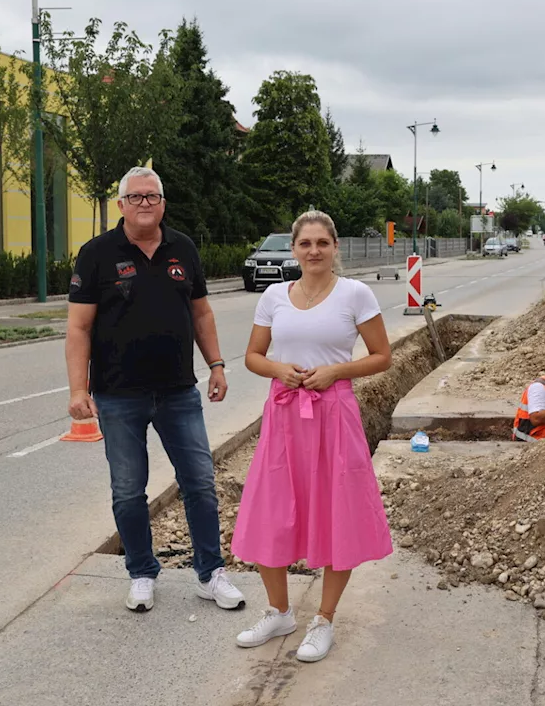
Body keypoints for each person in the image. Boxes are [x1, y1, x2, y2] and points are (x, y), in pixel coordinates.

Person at [65, 166, 244, 613]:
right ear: (121, 204)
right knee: (128, 491)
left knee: (200, 482)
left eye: (153, 196)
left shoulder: (182, 247)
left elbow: (201, 314)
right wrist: (77, 389)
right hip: (116, 394)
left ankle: (210, 573)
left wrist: (217, 365)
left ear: (163, 203)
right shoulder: (96, 254)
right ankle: (142, 573)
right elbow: (78, 327)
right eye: (136, 197)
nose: (145, 204)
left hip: (178, 392)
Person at [230, 210, 393, 663]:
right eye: (306, 243)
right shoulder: (274, 295)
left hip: (334, 413)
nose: (314, 251)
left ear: (335, 247)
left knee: (335, 509)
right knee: (270, 508)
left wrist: (336, 371)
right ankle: (279, 611)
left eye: (322, 242)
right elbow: (253, 356)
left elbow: (382, 356)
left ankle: (324, 619)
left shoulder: (355, 294)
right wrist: (280, 369)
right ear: (294, 249)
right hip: (284, 415)